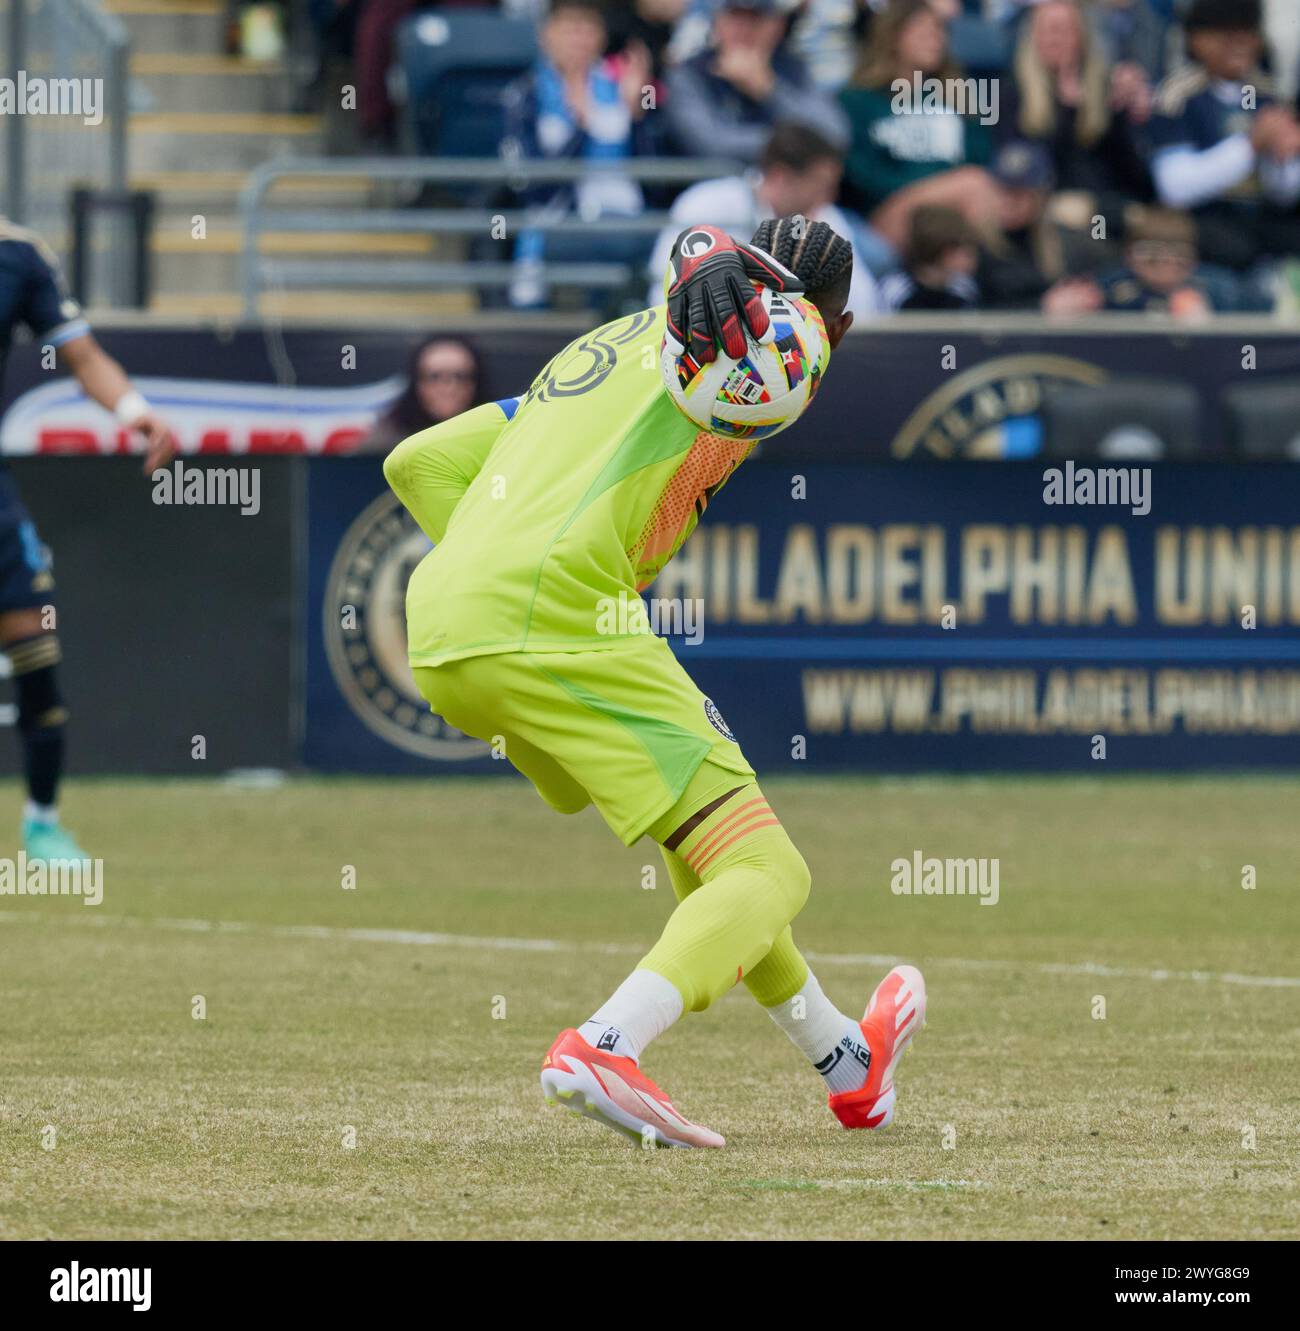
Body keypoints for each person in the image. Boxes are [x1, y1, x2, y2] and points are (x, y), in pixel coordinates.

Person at [384, 218, 926, 1148]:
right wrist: (708, 252)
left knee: (711, 849)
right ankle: (605, 1044)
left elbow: (418, 460)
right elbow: (737, 293)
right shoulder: (765, 347)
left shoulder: (606, 344)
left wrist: (486, 562)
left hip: (441, 625)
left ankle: (846, 1058)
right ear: (828, 317)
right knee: (768, 869)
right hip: (555, 610)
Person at [0, 219, 175, 862]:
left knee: (35, 650)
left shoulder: (18, 256)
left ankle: (42, 823)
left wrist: (134, 411)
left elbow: (82, 355)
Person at [502, 0, 650, 309]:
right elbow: (530, 186)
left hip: (627, 220)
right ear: (546, 34)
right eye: (570, 27)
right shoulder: (524, 94)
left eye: (588, 27)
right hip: (555, 224)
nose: (579, 39)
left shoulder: (621, 87)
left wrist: (639, 114)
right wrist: (581, 128)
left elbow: (657, 176)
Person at [646, 122, 880, 315]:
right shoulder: (707, 204)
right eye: (820, 185)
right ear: (780, 177)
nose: (830, 195)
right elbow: (663, 291)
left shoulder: (825, 216)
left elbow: (864, 304)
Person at [1149, 0, 1300, 278]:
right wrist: (1251, 145)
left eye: (1247, 33)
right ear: (1197, 40)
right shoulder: (1178, 96)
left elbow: (1285, 193)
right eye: (1226, 35)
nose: (1239, 44)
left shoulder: (1271, 96)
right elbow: (1174, 187)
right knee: (1232, 247)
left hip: (1261, 218)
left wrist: (1281, 157)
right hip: (1203, 220)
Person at [839, 0, 998, 252]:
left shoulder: (957, 98)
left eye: (938, 32)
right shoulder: (858, 100)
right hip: (891, 212)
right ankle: (992, 275)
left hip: (952, 212)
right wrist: (930, 187)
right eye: (922, 31)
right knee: (973, 184)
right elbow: (860, 175)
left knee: (980, 186)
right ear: (893, 36)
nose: (934, 39)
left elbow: (980, 156)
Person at [1000, 0, 1153, 207]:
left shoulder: (1106, 88)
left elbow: (1131, 172)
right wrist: (1067, 109)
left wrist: (1128, 114)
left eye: (1065, 30)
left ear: (1082, 38)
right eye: (1048, 30)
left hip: (1107, 207)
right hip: (1048, 206)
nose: (1056, 39)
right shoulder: (1012, 91)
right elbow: (1025, 166)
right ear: (1032, 37)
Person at [665, 0, 851, 164]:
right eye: (736, 17)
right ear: (717, 22)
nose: (744, 30)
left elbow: (834, 137)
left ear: (778, 26)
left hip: (788, 194)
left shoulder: (794, 70)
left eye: (756, 19)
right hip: (712, 190)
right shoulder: (690, 73)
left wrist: (769, 91)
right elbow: (709, 145)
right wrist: (794, 145)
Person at [359, 335, 484, 453]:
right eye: (434, 377)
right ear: (416, 382)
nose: (448, 388)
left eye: (461, 377)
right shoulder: (384, 440)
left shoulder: (498, 436)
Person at [1097, 205, 1214, 316]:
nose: (1166, 265)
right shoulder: (1106, 289)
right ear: (1128, 255)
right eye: (1151, 257)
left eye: (1180, 256)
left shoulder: (1215, 289)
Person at [879, 205, 981, 309]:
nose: (973, 258)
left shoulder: (965, 288)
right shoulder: (894, 289)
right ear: (945, 253)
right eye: (966, 252)